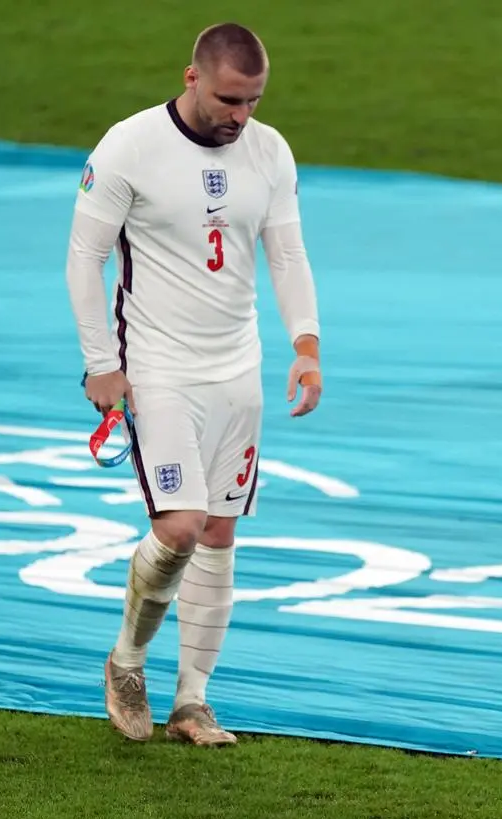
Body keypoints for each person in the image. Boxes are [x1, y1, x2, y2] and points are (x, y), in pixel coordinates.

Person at [64, 22, 322, 748]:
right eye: (229, 99)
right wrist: (100, 363)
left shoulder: (268, 151)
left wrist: (305, 345)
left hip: (236, 367)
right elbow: (85, 259)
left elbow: (288, 252)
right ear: (191, 79)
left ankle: (192, 702)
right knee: (177, 528)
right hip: (158, 366)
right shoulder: (129, 147)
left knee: (218, 530)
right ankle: (126, 660)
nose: (240, 116)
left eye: (253, 101)